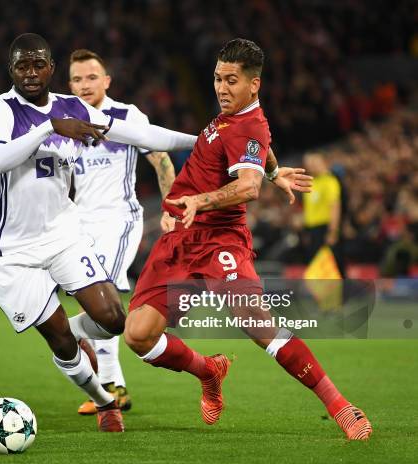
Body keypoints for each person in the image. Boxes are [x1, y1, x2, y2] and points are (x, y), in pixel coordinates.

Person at [123, 39, 372, 440]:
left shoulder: (247, 123)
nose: (221, 88)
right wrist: (275, 171)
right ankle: (209, 370)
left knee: (257, 323)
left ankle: (339, 405)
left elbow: (248, 186)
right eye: (218, 78)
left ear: (253, 85)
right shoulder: (238, 118)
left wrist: (202, 200)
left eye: (231, 81)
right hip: (182, 238)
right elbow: (259, 152)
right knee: (137, 336)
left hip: (220, 238)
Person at [0, 33, 196, 432]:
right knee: (60, 341)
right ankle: (104, 400)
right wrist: (48, 128)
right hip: (11, 247)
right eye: (21, 65)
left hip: (62, 233)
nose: (30, 73)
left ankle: (65, 328)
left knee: (113, 318)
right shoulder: (1, 108)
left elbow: (142, 136)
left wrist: (205, 143)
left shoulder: (72, 107)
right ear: (11, 70)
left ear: (50, 68)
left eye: (37, 64)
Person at [68, 48, 176, 415]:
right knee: (95, 303)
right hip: (79, 223)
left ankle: (109, 386)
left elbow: (160, 157)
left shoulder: (126, 116)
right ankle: (110, 384)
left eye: (91, 77)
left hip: (118, 220)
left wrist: (171, 206)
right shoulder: (66, 120)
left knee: (103, 297)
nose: (85, 85)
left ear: (106, 81)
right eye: (77, 79)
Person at [303, 152, 344, 275]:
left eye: (314, 163)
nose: (311, 166)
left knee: (332, 263)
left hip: (325, 228)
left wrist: (333, 231)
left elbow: (335, 206)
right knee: (317, 264)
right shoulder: (311, 182)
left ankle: (343, 291)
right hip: (312, 229)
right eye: (309, 164)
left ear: (323, 163)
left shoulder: (329, 181)